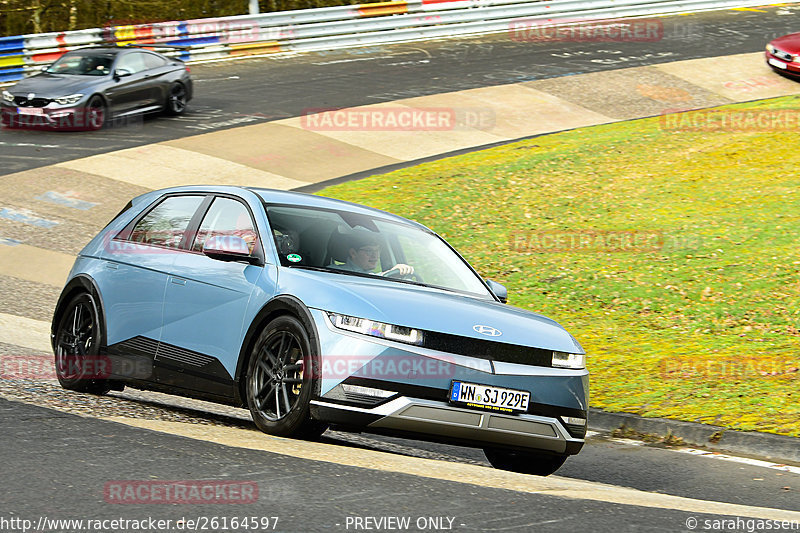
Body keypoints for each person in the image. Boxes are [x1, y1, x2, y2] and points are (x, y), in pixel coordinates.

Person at [332, 229, 413, 277]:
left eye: (377, 250)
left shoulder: (371, 274)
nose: (375, 255)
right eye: (369, 251)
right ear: (353, 253)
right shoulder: (333, 272)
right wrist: (385, 275)